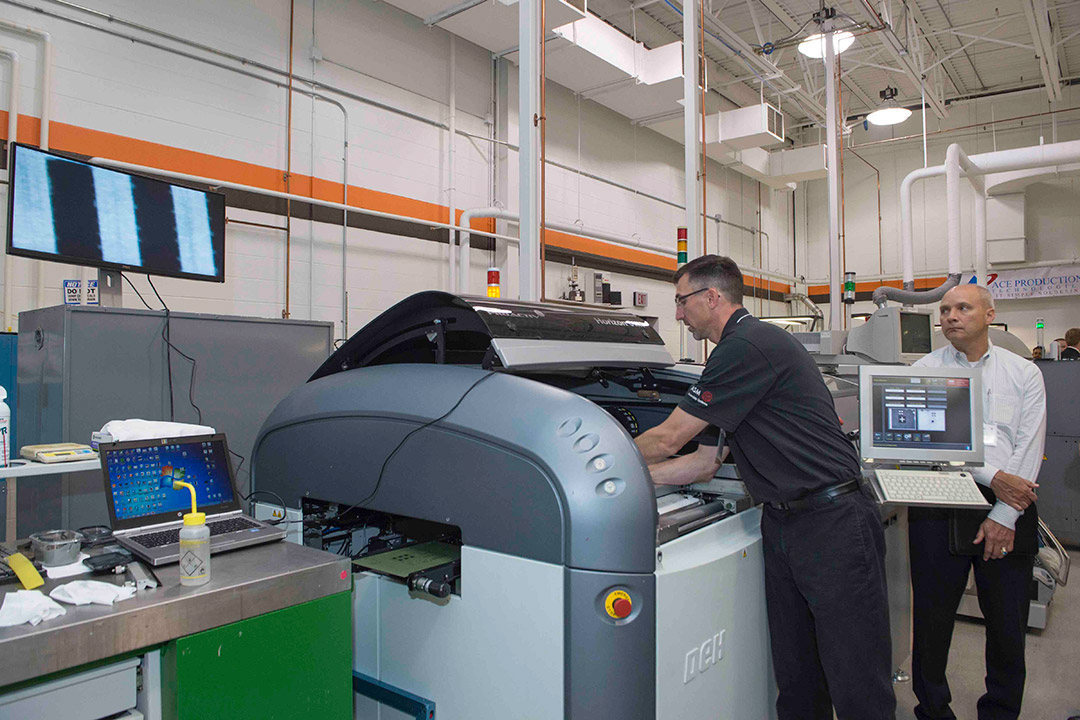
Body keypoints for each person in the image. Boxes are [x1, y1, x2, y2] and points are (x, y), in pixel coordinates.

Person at [634, 255, 895, 720]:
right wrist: (628, 478)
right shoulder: (739, 349)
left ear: (712, 297)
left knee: (857, 683)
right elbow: (704, 463)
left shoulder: (746, 346)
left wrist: (594, 459)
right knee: (797, 678)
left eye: (680, 300)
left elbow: (669, 438)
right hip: (785, 524)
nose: (677, 312)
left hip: (831, 524)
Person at [909, 284, 1046, 720]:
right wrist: (994, 477)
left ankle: (1001, 711)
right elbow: (934, 442)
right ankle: (932, 710)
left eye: (962, 308)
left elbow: (1029, 443)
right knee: (932, 621)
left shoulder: (1024, 373)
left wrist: (1004, 512)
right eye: (945, 309)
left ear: (989, 314)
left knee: (1007, 624)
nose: (951, 316)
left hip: (1013, 502)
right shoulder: (924, 369)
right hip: (941, 500)